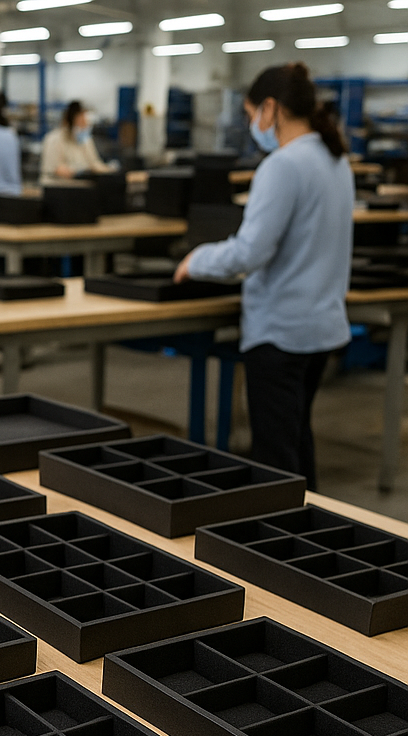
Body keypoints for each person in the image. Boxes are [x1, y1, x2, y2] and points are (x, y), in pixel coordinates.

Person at [174, 62, 353, 490]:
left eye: (251, 113)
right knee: (297, 445)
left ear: (270, 109)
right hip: (321, 330)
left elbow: (249, 253)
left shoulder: (282, 165)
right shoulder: (336, 160)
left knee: (276, 463)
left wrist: (196, 259)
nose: (252, 124)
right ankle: (310, 543)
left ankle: (283, 549)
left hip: (281, 334)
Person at [40, 101, 111, 184]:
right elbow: (54, 169)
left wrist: (110, 171)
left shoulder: (85, 140)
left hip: (80, 188)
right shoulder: (54, 139)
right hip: (58, 187)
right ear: (70, 121)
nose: (84, 126)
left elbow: (94, 163)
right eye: (81, 122)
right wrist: (79, 171)